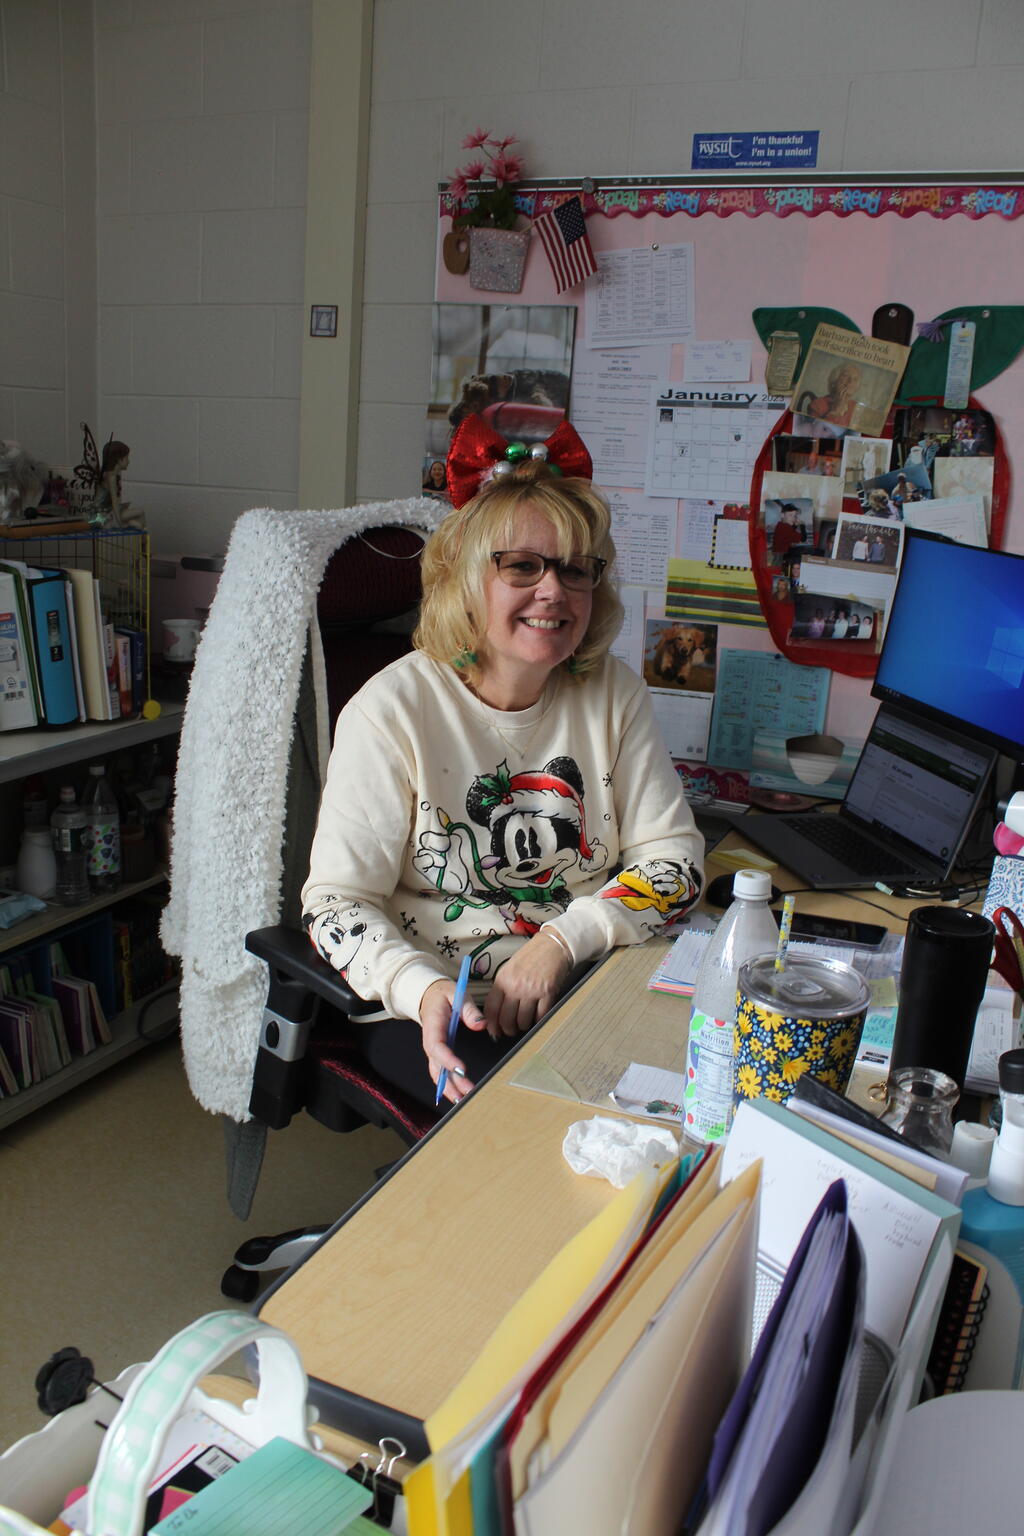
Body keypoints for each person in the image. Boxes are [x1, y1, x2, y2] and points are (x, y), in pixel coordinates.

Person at [302, 424, 704, 1108]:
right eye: (521, 566)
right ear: (467, 580)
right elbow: (333, 903)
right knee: (543, 1123)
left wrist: (561, 941)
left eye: (575, 569)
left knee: (706, 1083)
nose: (554, 591)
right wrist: (421, 988)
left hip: (586, 973)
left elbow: (677, 861)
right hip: (444, 1003)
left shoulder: (613, 693)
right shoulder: (389, 711)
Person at [808, 362, 860, 430]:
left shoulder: (856, 407)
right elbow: (818, 432)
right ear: (835, 379)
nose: (850, 381)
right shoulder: (817, 405)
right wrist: (837, 409)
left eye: (855, 379)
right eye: (846, 376)